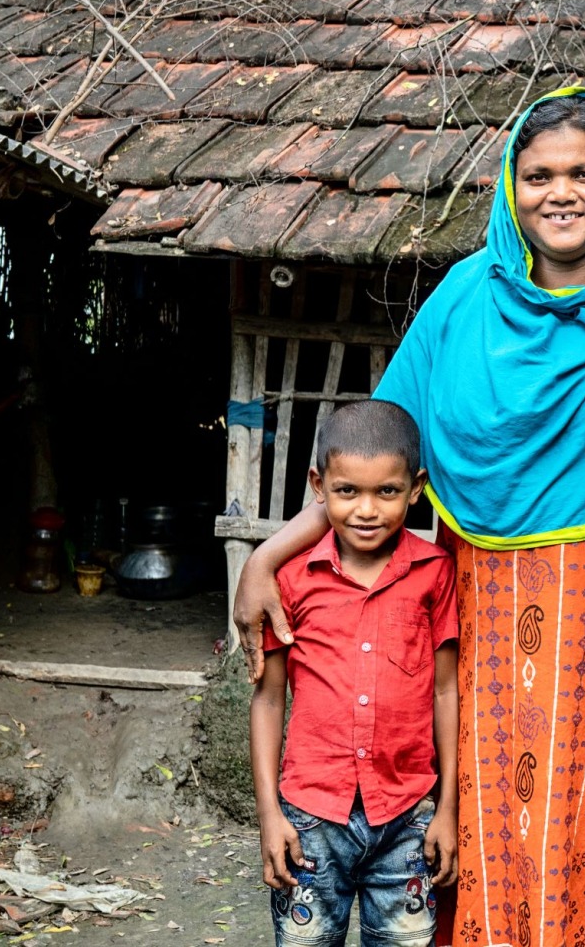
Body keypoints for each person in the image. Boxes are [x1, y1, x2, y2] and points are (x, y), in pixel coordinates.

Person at [233, 87, 585, 947]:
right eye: (539, 176)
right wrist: (268, 558)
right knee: (483, 824)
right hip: (480, 611)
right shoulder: (464, 301)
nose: (562, 193)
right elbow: (375, 453)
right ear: (509, 190)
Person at [248, 400, 458, 947]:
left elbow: (445, 690)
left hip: (408, 815)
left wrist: (448, 810)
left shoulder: (435, 573)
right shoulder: (291, 581)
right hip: (310, 820)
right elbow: (269, 700)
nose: (367, 510)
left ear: (416, 489)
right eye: (348, 491)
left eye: (386, 492)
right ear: (319, 486)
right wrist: (270, 814)